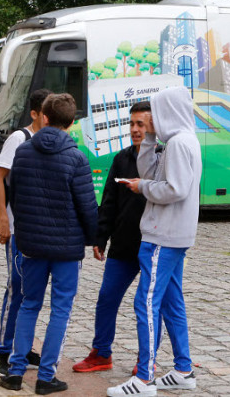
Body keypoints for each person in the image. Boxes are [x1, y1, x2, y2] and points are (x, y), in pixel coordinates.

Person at [0, 93, 98, 396]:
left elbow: (16, 196)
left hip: (30, 245)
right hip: (67, 248)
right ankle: (46, 377)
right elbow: (87, 205)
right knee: (60, 310)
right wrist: (94, 239)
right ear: (71, 122)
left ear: (44, 116)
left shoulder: (24, 153)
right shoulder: (77, 157)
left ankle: (14, 373)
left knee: (29, 304)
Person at [107, 87, 202, 397]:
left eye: (155, 115)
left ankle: (144, 377)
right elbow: (148, 169)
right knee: (172, 303)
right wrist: (149, 140)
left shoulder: (177, 144)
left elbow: (173, 188)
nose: (150, 122)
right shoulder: (179, 140)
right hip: (174, 234)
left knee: (146, 302)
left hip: (164, 234)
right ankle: (183, 369)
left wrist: (143, 187)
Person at [73, 101, 160, 375]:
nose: (135, 130)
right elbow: (108, 202)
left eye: (140, 124)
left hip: (154, 245)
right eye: (132, 124)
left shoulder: (162, 158)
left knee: (149, 306)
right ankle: (101, 352)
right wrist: (100, 238)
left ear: (153, 127)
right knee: (107, 297)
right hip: (123, 245)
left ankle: (147, 359)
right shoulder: (121, 159)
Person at [0, 88, 50, 377]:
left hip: (41, 231)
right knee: (16, 289)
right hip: (17, 230)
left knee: (33, 292)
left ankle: (22, 346)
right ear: (35, 113)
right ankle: (5, 350)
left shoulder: (50, 141)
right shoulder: (19, 138)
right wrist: (4, 218)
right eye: (45, 114)